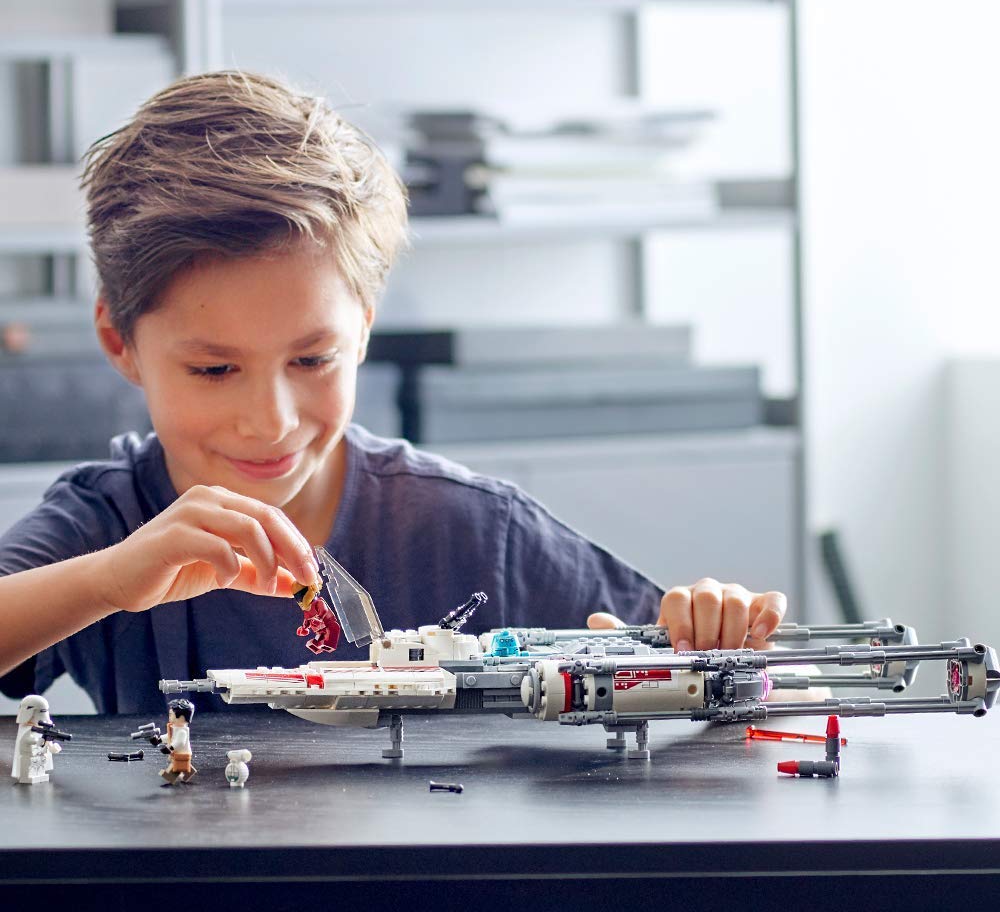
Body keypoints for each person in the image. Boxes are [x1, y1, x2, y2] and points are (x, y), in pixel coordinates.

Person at [0, 71, 787, 714]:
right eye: (214, 370)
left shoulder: (475, 532)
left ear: (364, 330)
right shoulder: (106, 526)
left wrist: (713, 635)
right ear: (118, 342)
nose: (270, 421)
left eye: (313, 360)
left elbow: (716, 685)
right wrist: (107, 581)